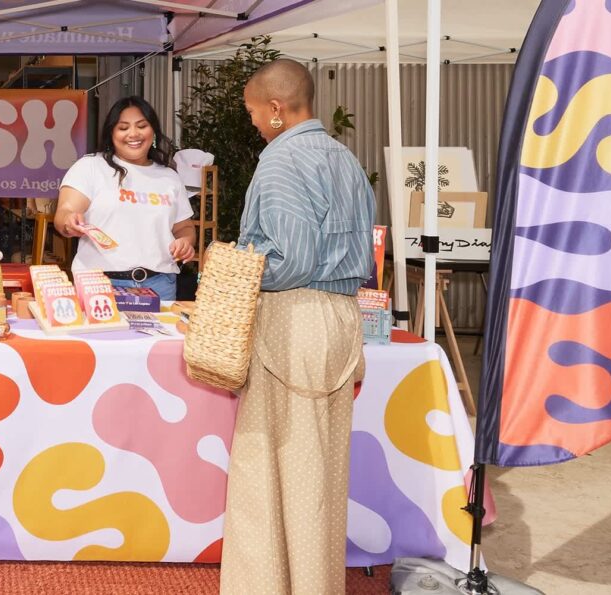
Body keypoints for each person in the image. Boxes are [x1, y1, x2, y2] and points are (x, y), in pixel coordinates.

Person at [221, 59, 375, 595]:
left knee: (271, 471)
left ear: (277, 109)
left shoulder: (282, 159)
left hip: (293, 316)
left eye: (252, 111)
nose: (253, 122)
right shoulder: (345, 159)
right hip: (338, 318)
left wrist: (240, 258)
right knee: (319, 475)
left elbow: (293, 258)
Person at [53, 96, 194, 301]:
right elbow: (65, 212)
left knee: (161, 335)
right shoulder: (91, 166)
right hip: (100, 284)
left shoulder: (169, 177)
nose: (133, 134)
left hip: (161, 284)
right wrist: (69, 220)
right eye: (123, 127)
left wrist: (185, 242)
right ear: (111, 133)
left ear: (153, 130)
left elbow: (184, 227)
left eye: (142, 126)